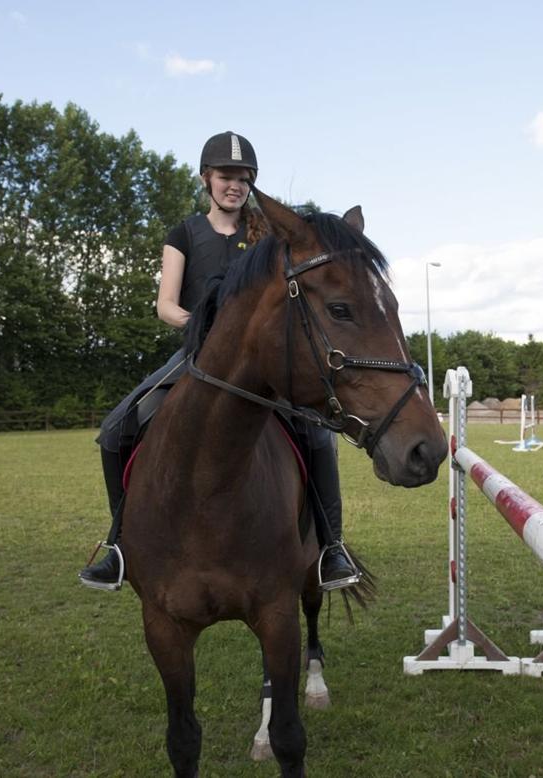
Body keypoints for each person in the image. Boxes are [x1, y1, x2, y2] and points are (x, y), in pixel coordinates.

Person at [78, 130, 357, 592]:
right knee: (116, 431)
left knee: (317, 437)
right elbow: (165, 303)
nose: (236, 185)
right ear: (206, 178)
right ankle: (121, 545)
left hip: (263, 363)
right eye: (227, 176)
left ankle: (332, 548)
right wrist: (198, 324)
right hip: (197, 354)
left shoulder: (268, 234)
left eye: (245, 178)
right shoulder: (184, 233)